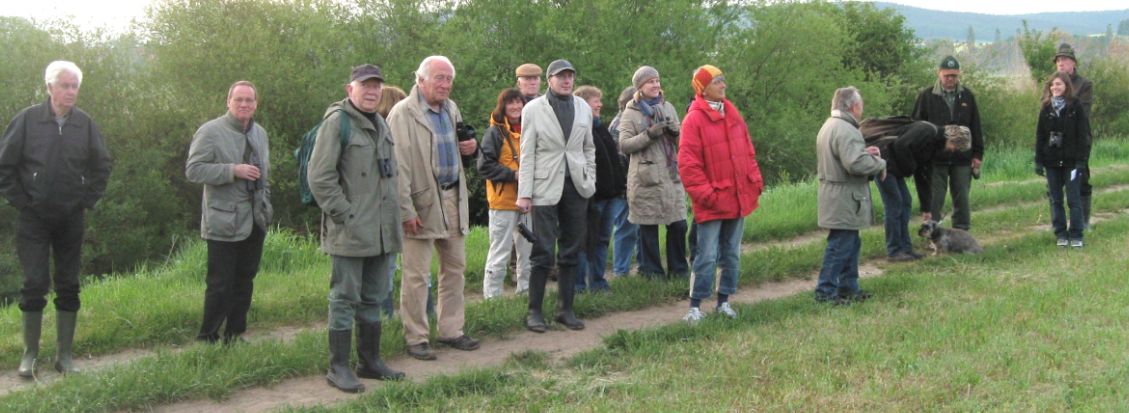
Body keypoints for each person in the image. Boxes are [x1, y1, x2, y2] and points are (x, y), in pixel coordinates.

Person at [1, 61, 111, 377]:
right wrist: (21, 202)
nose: (71, 91)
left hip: (70, 217)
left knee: (69, 284)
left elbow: (101, 166)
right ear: (49, 87)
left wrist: (86, 200)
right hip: (33, 218)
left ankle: (64, 357)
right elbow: (5, 167)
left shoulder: (85, 124)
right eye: (65, 85)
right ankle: (29, 355)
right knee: (34, 283)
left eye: (75, 85)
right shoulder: (26, 121)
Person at [308, 65, 405, 393]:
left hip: (381, 232)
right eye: (365, 85)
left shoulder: (380, 123)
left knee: (373, 298)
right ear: (350, 88)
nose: (372, 91)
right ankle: (338, 367)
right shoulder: (338, 123)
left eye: (376, 85)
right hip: (349, 231)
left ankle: (370, 361)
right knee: (344, 298)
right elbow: (320, 177)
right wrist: (345, 216)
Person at [388, 56, 480, 360]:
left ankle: (451, 330)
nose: (445, 84)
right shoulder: (403, 114)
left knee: (454, 268)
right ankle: (416, 337)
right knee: (416, 274)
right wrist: (405, 210)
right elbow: (396, 168)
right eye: (439, 78)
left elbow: (455, 152)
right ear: (421, 80)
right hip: (421, 202)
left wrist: (470, 149)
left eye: (449, 79)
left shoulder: (451, 109)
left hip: (452, 197)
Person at [186, 81, 272, 346]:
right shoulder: (210, 131)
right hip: (223, 220)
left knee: (245, 280)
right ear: (228, 101)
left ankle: (235, 335)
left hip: (255, 219)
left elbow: (265, 175)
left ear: (256, 104)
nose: (244, 105)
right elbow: (193, 170)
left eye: (249, 100)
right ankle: (207, 337)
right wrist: (232, 170)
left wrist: (266, 206)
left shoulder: (260, 133)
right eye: (239, 100)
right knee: (220, 283)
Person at [678, 65, 763, 323]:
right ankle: (695, 307)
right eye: (717, 81)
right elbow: (688, 165)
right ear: (703, 88)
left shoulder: (732, 114)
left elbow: (748, 152)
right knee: (706, 255)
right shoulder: (693, 120)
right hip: (713, 201)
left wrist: (755, 181)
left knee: (732, 253)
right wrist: (707, 195)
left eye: (723, 79)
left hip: (738, 196)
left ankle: (723, 302)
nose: (723, 85)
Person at [515, 59, 595, 333]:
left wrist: (590, 179)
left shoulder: (583, 107)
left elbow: (589, 148)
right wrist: (524, 194)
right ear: (549, 79)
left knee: (572, 249)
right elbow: (527, 153)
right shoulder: (534, 109)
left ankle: (565, 309)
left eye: (570, 76)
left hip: (576, 186)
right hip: (544, 186)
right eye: (561, 76)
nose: (567, 80)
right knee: (543, 251)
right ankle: (534, 312)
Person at [862, 118, 971, 262]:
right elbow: (901, 146)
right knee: (895, 204)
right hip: (884, 163)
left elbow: (924, 175)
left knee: (906, 202)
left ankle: (906, 249)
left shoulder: (934, 146)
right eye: (956, 147)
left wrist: (926, 208)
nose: (953, 150)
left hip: (895, 168)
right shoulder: (926, 131)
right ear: (952, 139)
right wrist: (910, 168)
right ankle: (894, 251)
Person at [814, 87, 886, 304]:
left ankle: (848, 288)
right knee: (840, 246)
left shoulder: (830, 125)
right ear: (854, 106)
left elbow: (846, 156)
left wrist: (865, 153)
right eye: (860, 105)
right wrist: (880, 163)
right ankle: (825, 292)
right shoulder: (846, 129)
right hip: (844, 196)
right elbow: (854, 164)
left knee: (850, 243)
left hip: (836, 194)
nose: (861, 109)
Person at [618, 66, 688, 280]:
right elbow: (624, 145)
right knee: (648, 227)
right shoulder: (631, 113)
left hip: (670, 175)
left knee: (678, 224)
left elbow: (682, 143)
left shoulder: (668, 107)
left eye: (657, 81)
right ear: (640, 86)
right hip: (646, 178)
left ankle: (679, 270)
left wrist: (676, 133)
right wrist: (648, 134)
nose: (656, 85)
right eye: (650, 82)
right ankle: (652, 273)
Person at [912, 55, 983, 230]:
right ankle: (931, 232)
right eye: (947, 75)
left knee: (962, 197)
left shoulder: (967, 96)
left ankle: (962, 231)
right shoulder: (926, 96)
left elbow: (976, 127)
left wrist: (977, 154)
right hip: (935, 158)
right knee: (934, 198)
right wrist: (921, 154)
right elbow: (916, 127)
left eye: (954, 75)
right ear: (939, 74)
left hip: (962, 157)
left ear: (958, 75)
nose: (951, 79)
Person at [477, 88, 532, 299]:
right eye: (511, 103)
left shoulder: (530, 128)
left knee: (526, 251)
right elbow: (484, 166)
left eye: (519, 102)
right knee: (499, 251)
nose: (516, 107)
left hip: (527, 200)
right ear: (503, 106)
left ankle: (525, 293)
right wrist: (513, 175)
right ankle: (492, 299)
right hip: (503, 201)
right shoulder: (494, 133)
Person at [574, 85, 624, 293]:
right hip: (592, 197)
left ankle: (597, 281)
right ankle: (578, 285)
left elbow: (612, 161)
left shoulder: (600, 127)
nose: (600, 105)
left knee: (603, 240)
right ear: (584, 104)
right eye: (596, 101)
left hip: (610, 196)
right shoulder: (578, 129)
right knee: (584, 242)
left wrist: (619, 186)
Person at [1035, 72, 1091, 248]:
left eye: (1058, 84)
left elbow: (1083, 136)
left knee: (1073, 199)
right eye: (1052, 85)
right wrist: (1038, 160)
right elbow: (1040, 136)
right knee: (1056, 199)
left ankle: (1076, 234)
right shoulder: (1046, 108)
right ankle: (1060, 233)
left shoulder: (1076, 107)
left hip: (1072, 163)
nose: (1055, 88)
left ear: (1066, 86)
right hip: (1052, 162)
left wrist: (1081, 160)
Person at [1052, 43, 1095, 229]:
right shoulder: (1053, 83)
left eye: (1065, 60)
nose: (1061, 63)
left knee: (1081, 178)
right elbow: (1045, 109)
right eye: (1058, 60)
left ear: (1073, 63)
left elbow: (1082, 113)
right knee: (1053, 182)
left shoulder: (1084, 85)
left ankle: (1083, 222)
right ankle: (1057, 223)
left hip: (1078, 139)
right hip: (1055, 140)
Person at [374, 85, 407, 320]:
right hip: (393, 206)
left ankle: (384, 317)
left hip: (389, 206)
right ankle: (385, 316)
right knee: (398, 265)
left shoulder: (376, 132)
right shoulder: (390, 134)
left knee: (388, 265)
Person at [608, 86, 639, 277]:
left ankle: (627, 268)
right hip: (624, 186)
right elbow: (622, 160)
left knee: (634, 229)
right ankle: (621, 271)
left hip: (634, 184)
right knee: (625, 228)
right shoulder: (619, 125)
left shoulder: (628, 121)